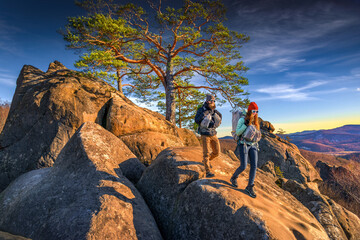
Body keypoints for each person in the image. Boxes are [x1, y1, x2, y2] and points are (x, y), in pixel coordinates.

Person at [230, 102, 260, 198]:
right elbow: (238, 132)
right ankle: (233, 177)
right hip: (243, 144)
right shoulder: (242, 120)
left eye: (256, 111)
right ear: (249, 110)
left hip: (253, 145)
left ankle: (249, 186)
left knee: (254, 166)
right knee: (243, 166)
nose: (255, 113)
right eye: (253, 111)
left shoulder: (256, 121)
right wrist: (246, 125)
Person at [195, 94, 222, 178]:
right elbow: (197, 120)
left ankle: (206, 161)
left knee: (216, 152)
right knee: (206, 153)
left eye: (214, 101)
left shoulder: (214, 111)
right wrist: (205, 113)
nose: (213, 102)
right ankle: (208, 171)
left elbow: (219, 118)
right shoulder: (201, 109)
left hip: (213, 133)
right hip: (205, 134)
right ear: (207, 101)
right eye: (211, 101)